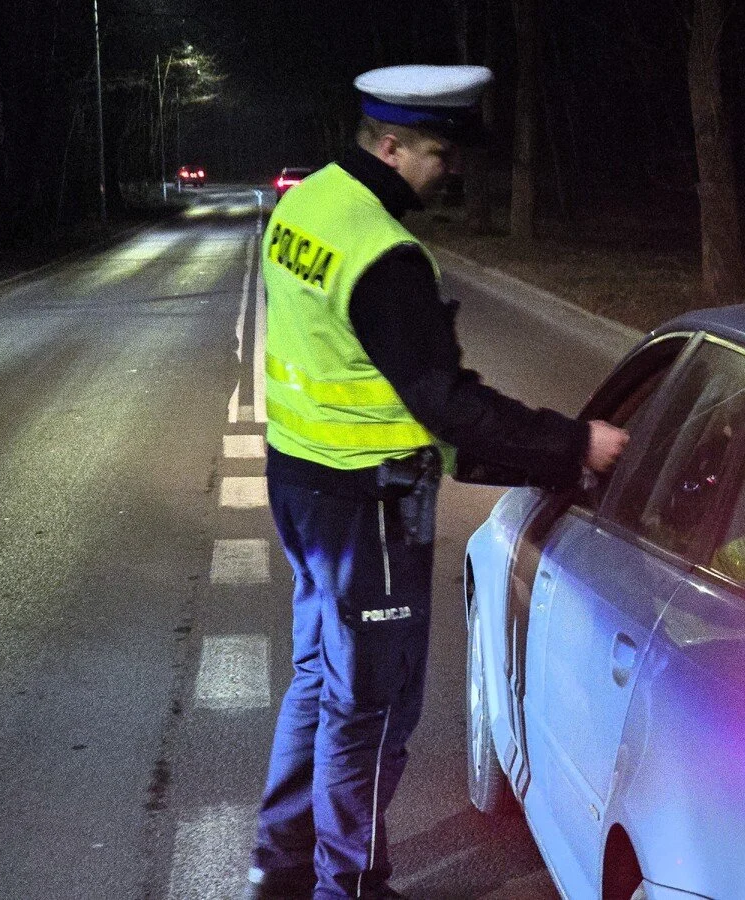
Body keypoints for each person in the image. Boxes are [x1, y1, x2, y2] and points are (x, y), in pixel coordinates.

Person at [245, 64, 629, 900]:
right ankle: (344, 887)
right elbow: (446, 406)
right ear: (389, 145)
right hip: (366, 508)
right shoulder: (384, 254)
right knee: (370, 710)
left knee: (319, 678)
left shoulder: (305, 204)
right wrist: (575, 445)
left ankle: (279, 868)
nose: (446, 169)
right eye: (435, 153)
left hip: (301, 485)